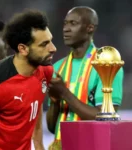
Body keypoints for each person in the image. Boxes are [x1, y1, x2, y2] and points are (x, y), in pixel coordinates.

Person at [47, 6, 124, 149]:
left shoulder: (106, 64)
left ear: (90, 28)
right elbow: (52, 127)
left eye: (73, 23)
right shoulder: (58, 67)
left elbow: (106, 119)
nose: (66, 29)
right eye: (65, 23)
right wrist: (54, 102)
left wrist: (64, 93)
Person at [0, 9, 56, 150]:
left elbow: (36, 102)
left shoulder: (45, 71)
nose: (53, 48)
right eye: (44, 44)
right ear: (23, 49)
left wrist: (39, 144)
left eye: (50, 41)